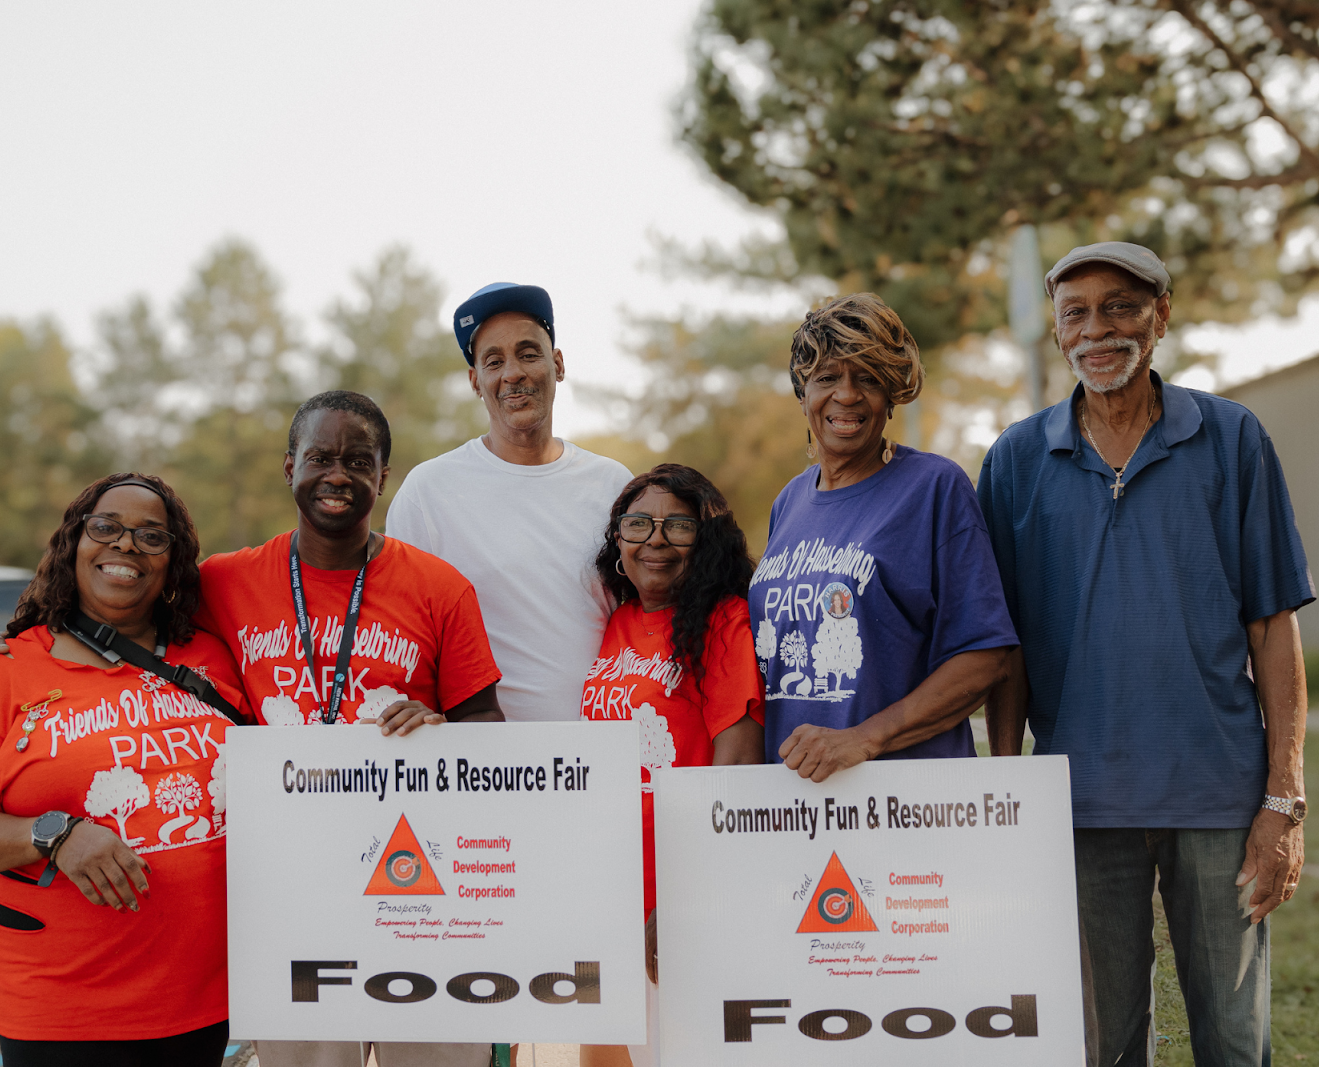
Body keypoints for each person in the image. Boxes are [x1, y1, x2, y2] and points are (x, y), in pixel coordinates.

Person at [0, 391, 503, 1067]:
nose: (338, 473)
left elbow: (489, 729)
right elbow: (116, 600)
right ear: (289, 465)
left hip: (418, 879)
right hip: (294, 890)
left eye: (360, 460)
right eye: (320, 456)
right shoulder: (224, 582)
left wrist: (443, 730)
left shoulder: (441, 587)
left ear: (383, 476)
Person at [977, 242, 1313, 1067]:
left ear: (1161, 316)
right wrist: (1016, 785)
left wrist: (1285, 799)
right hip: (1079, 800)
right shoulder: (1017, 460)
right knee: (1104, 1044)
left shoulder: (1231, 438)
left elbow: (1274, 627)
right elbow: (1004, 646)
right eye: (1076, 313)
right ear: (1058, 333)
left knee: (1235, 1042)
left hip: (1216, 792)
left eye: (1121, 305)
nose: (1099, 328)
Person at [0, 473, 248, 1066]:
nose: (126, 546)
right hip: (62, 1006)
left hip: (203, 999)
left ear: (173, 563)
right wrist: (53, 835)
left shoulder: (215, 656)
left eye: (152, 536)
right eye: (106, 527)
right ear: (75, 542)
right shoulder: (0, 673)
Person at [749, 293, 1018, 779]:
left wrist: (862, 740)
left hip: (904, 801)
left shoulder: (934, 487)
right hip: (792, 807)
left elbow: (986, 658)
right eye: (827, 378)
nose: (847, 395)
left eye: (868, 379)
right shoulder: (788, 502)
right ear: (802, 393)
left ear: (891, 395)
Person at [580, 464, 765, 1067]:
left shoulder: (725, 622)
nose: (655, 540)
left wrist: (683, 899)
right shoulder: (620, 620)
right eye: (638, 523)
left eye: (677, 526)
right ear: (618, 539)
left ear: (705, 538)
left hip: (679, 902)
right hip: (610, 897)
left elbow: (736, 773)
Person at [387, 283, 633, 724]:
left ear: (557, 364)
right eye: (494, 361)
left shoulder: (614, 485)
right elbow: (402, 634)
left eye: (529, 353)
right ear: (475, 382)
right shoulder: (428, 491)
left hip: (603, 758)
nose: (513, 373)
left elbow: (644, 623)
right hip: (482, 768)